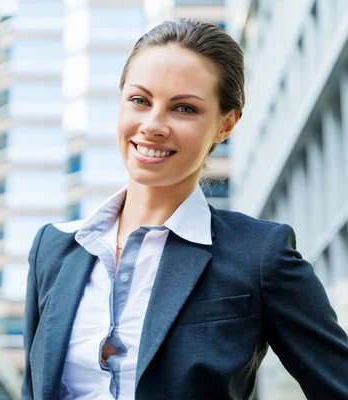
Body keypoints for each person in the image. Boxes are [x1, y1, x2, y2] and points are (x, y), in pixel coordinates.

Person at [21, 18, 348, 400]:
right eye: (140, 100)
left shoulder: (260, 255)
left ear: (225, 125)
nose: (153, 125)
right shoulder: (53, 249)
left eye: (184, 109)